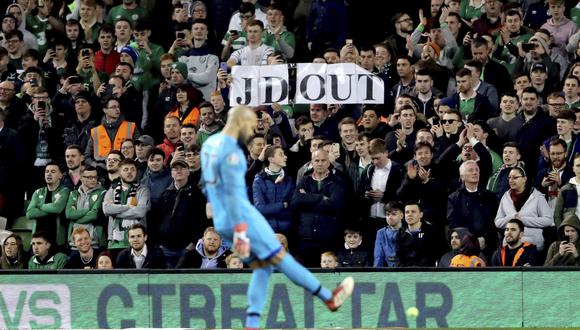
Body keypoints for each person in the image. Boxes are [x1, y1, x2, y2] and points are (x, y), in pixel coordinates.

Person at [200, 105, 354, 329]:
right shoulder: (230, 153)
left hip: (224, 220)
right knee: (281, 260)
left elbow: (211, 187)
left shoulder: (211, 145)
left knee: (262, 268)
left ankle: (252, 322)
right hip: (240, 217)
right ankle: (328, 298)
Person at [495, 167, 554, 251]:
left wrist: (523, 220)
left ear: (524, 179)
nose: (511, 180)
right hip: (509, 245)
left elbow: (548, 220)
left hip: (532, 245)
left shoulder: (537, 196)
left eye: (515, 177)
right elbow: (497, 222)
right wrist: (512, 218)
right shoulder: (505, 196)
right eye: (509, 178)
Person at [103, 158, 150, 253]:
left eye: (133, 169)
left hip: (136, 243)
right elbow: (106, 209)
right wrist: (128, 207)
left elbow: (140, 212)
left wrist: (115, 212)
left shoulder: (143, 190)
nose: (130, 172)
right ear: (119, 172)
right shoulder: (112, 190)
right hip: (115, 243)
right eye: (126, 169)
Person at [252, 145, 295, 238]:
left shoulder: (289, 180)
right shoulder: (259, 180)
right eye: (281, 154)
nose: (285, 157)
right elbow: (260, 208)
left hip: (288, 230)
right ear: (271, 159)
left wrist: (286, 205)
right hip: (266, 230)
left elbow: (293, 204)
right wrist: (282, 205)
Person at [26, 162, 71, 249]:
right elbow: (29, 213)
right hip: (38, 241)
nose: (49, 174)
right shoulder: (38, 192)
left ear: (60, 175)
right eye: (47, 171)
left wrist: (39, 206)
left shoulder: (65, 191)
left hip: (56, 241)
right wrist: (50, 209)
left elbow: (57, 208)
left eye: (53, 172)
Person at [65, 165, 106, 249]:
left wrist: (75, 219)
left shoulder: (102, 193)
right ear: (81, 177)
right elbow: (69, 214)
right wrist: (87, 210)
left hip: (93, 243)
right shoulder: (74, 194)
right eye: (89, 177)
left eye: (95, 177)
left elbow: (93, 215)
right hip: (74, 243)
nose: (93, 180)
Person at [374, 201, 404, 267]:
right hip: (390, 272)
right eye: (387, 214)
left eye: (393, 214)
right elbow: (378, 259)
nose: (390, 217)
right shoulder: (381, 233)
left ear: (401, 215)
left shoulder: (408, 231)